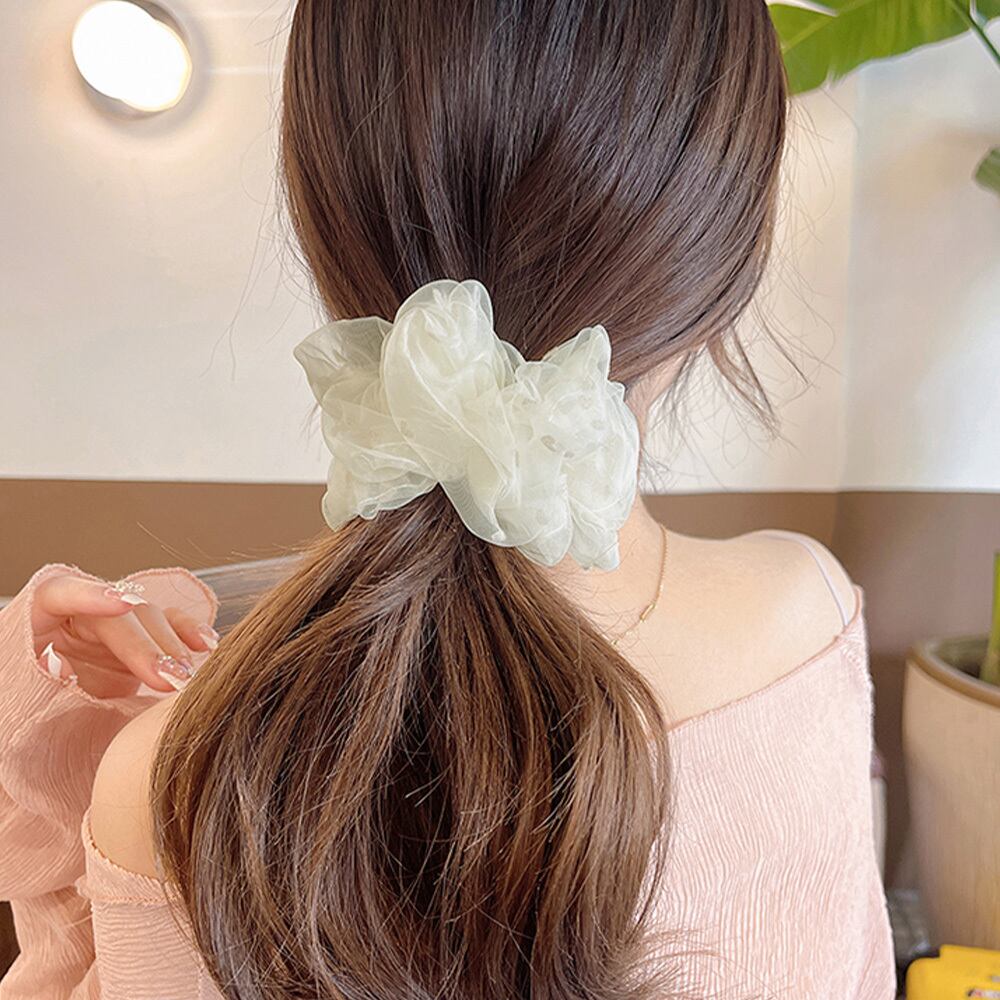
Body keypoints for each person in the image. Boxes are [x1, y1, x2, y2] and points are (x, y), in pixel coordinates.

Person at [0, 1, 895, 997]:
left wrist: (45, 711)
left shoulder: (177, 784)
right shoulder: (808, 611)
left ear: (325, 216)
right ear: (723, 258)